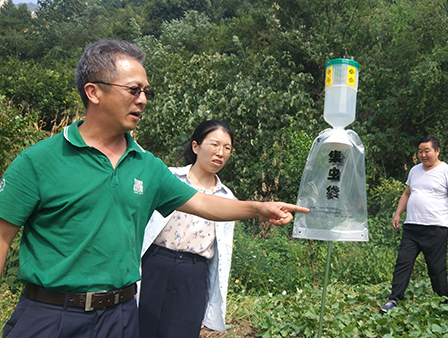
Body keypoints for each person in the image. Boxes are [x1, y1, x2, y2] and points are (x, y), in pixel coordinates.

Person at [0, 39, 308, 338]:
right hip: (50, 315)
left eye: (146, 91)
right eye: (133, 90)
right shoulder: (39, 162)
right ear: (93, 91)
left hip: (119, 316)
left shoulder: (147, 166)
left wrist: (258, 208)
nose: (143, 99)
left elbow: (203, 203)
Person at [138, 120, 237, 338]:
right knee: (138, 328)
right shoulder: (169, 178)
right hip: (155, 263)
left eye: (227, 148)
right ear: (196, 146)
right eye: (214, 144)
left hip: (193, 274)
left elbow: (222, 258)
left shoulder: (227, 199)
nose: (220, 153)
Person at [379, 136, 448, 313]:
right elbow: (407, 193)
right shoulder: (415, 171)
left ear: (437, 151)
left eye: (427, 151)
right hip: (412, 227)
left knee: (436, 267)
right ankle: (393, 299)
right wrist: (398, 214)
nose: (423, 155)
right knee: (403, 263)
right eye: (420, 151)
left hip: (436, 228)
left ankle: (443, 301)